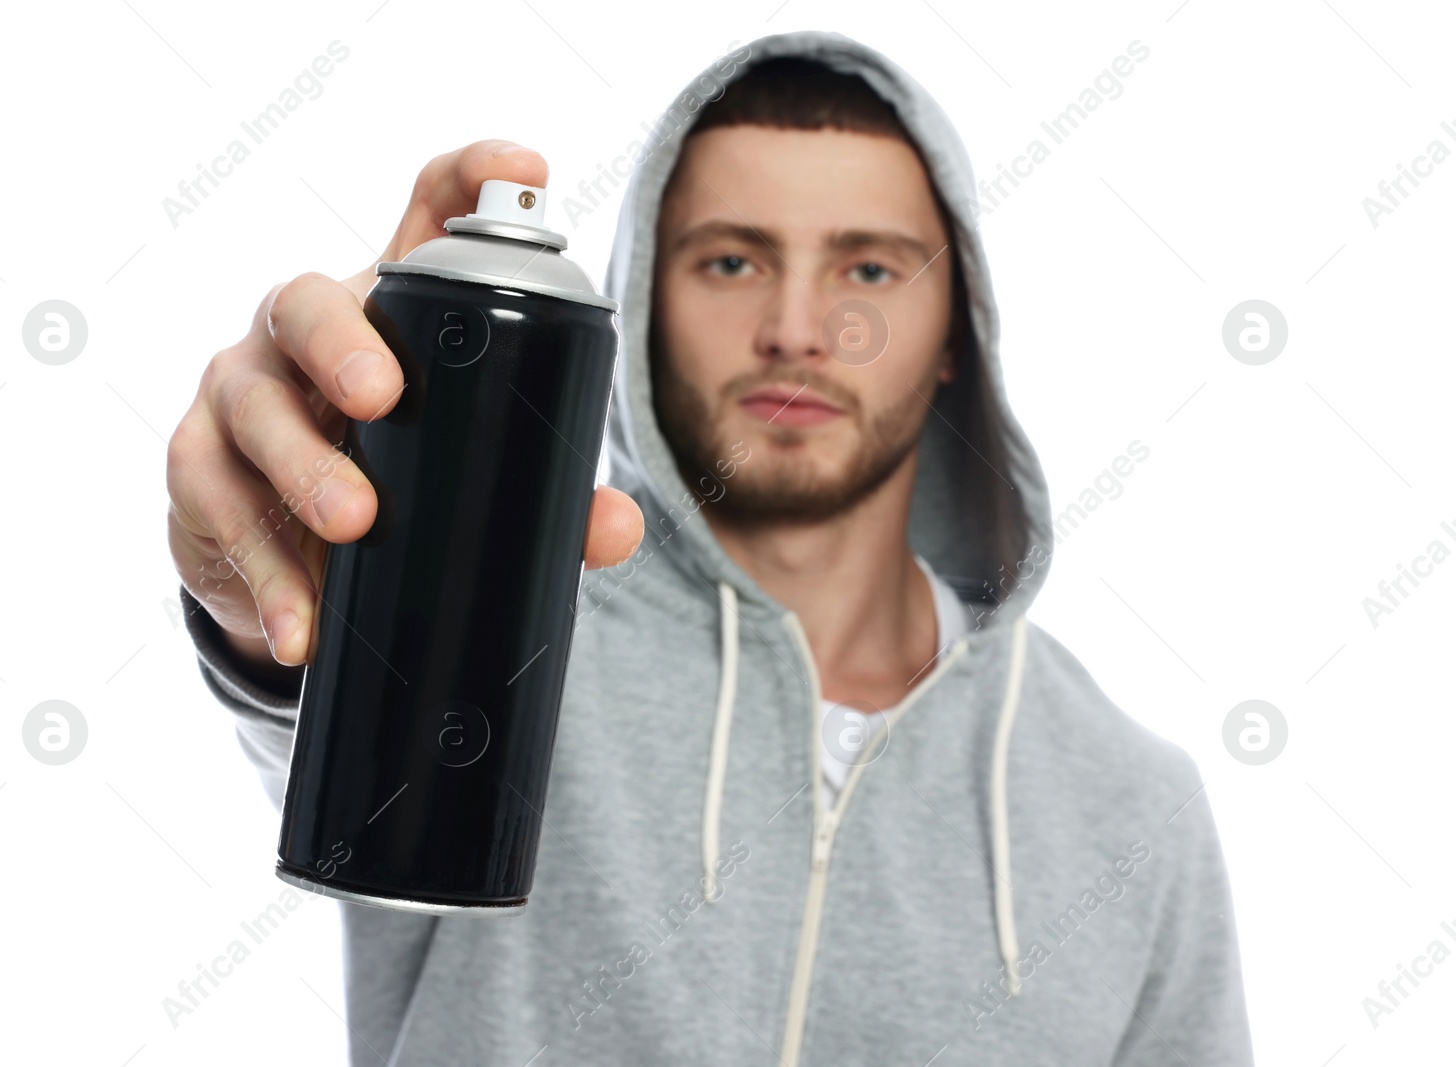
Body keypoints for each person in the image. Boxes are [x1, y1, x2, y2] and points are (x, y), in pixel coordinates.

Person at [167, 30, 1253, 1066]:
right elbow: (304, 693)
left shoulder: (1132, 807)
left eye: (869, 271)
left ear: (956, 337)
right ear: (641, 308)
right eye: (732, 261)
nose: (796, 327)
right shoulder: (490, 633)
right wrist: (280, 577)